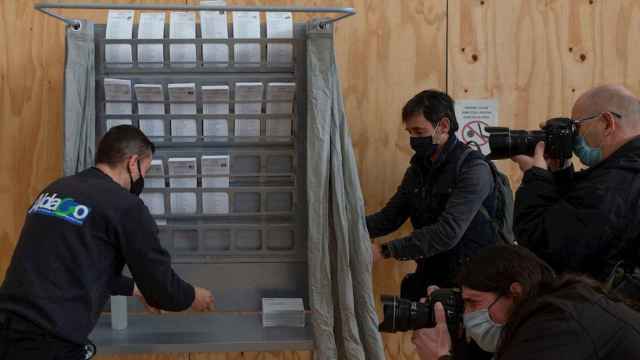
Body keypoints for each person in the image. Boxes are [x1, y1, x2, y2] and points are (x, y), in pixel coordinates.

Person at [0, 125, 214, 360]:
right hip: (49, 343)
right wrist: (192, 295)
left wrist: (134, 289)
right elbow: (161, 288)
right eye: (145, 170)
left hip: (8, 327)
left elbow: (75, 266)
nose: (143, 178)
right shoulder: (124, 206)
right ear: (132, 163)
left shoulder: (57, 190)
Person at [510, 85, 640, 292]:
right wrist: (560, 173)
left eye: (577, 127)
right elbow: (579, 215)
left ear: (607, 123)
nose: (573, 138)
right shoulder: (625, 172)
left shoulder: (612, 184)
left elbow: (543, 244)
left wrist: (536, 178)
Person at [367, 89, 497, 294]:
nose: (414, 140)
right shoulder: (418, 169)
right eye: (410, 133)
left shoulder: (473, 169)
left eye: (419, 132)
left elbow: (447, 232)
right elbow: (390, 217)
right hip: (432, 274)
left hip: (471, 283)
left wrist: (385, 250)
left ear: (443, 126)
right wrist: (349, 229)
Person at [412, 245, 640, 360]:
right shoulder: (557, 306)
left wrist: (439, 355)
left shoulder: (558, 326)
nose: (468, 314)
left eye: (473, 302)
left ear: (515, 292)